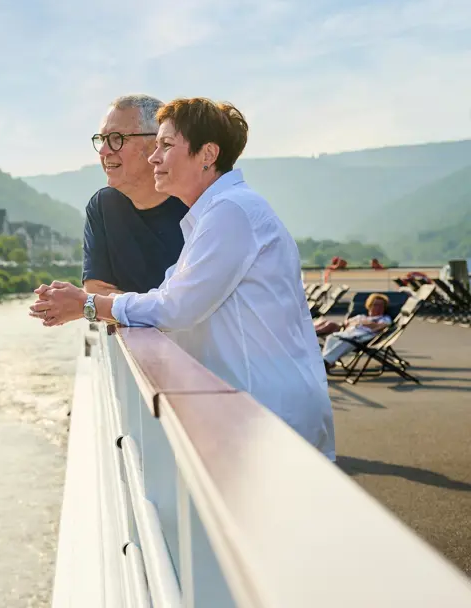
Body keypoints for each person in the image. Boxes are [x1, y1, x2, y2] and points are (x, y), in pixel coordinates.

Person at [30, 98, 335, 460]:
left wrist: (88, 305)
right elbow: (167, 294)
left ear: (207, 154)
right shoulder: (213, 215)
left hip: (270, 415)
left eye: (166, 145)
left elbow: (175, 308)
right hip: (254, 411)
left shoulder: (231, 213)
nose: (155, 157)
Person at [84, 95, 189, 295]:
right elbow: (95, 291)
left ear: (157, 143)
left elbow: (189, 306)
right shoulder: (103, 206)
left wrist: (114, 306)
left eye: (117, 139)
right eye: (102, 140)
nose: (104, 151)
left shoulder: (196, 204)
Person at [318, 293, 392, 368]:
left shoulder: (384, 318)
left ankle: (325, 362)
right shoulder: (361, 316)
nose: (378, 307)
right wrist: (359, 323)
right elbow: (347, 322)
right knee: (331, 337)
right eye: (375, 305)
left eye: (381, 305)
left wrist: (363, 324)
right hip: (349, 333)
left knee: (346, 341)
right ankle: (328, 361)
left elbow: (382, 326)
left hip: (362, 338)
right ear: (369, 306)